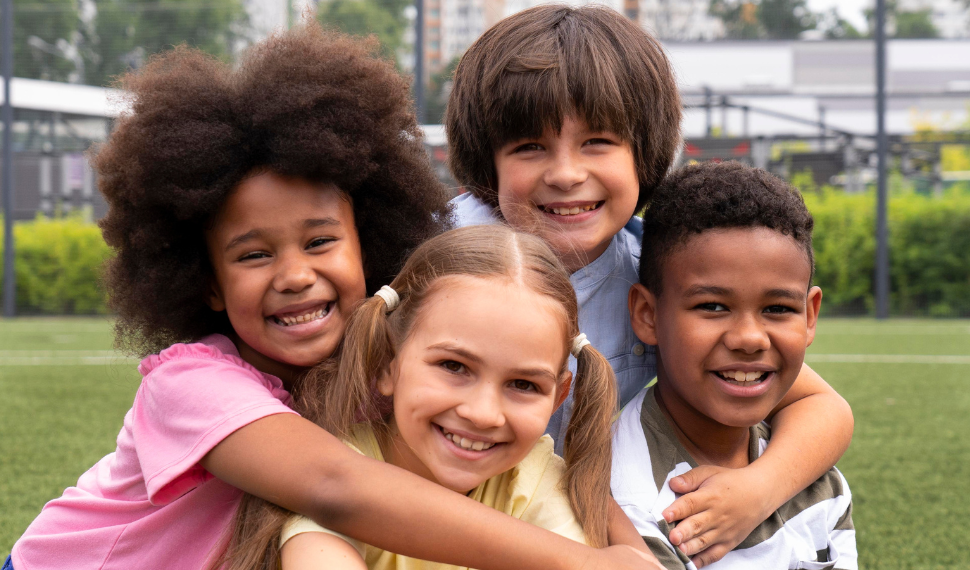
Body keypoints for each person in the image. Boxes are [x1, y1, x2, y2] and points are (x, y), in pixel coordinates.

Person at [7, 24, 656, 570]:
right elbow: (337, 488)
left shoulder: (379, 353)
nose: (293, 275)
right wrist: (581, 563)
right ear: (203, 278)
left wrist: (634, 553)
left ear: (368, 240)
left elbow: (548, 462)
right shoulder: (190, 384)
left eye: (319, 242)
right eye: (254, 254)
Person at [444, 5, 854, 565]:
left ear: (645, 152)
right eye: (530, 146)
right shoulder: (432, 261)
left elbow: (822, 407)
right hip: (429, 511)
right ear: (487, 161)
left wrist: (756, 492)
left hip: (571, 520)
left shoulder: (653, 274)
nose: (566, 173)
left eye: (598, 141)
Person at [224, 225, 654, 570]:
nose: (483, 414)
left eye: (524, 385)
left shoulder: (536, 477)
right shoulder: (336, 474)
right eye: (453, 367)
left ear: (558, 397)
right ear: (387, 363)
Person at [612, 161, 857, 569]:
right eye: (712, 306)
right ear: (647, 314)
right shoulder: (634, 501)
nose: (749, 338)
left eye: (777, 308)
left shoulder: (814, 477)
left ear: (810, 315)